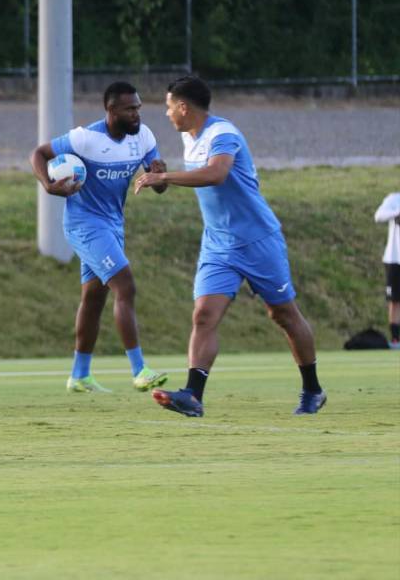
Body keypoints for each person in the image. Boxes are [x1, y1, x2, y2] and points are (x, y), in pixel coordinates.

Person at [133, 74, 326, 416]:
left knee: (283, 314)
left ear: (182, 107)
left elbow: (216, 174)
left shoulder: (223, 134)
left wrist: (166, 177)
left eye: (167, 107)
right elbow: (198, 180)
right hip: (218, 244)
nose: (165, 114)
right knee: (204, 315)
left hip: (257, 240)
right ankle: (193, 395)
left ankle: (312, 390)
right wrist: (161, 181)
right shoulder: (190, 139)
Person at [29, 81, 169, 394]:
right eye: (129, 109)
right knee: (125, 285)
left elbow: (158, 183)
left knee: (94, 298)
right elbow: (38, 154)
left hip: (113, 225)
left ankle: (79, 375)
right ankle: (139, 369)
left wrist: (160, 176)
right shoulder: (85, 138)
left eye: (138, 108)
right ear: (111, 110)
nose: (136, 114)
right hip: (84, 225)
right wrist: (48, 184)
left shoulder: (143, 137)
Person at [373, 192, 400, 348]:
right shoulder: (394, 199)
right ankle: (396, 339)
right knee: (395, 300)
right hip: (394, 258)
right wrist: (397, 213)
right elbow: (378, 216)